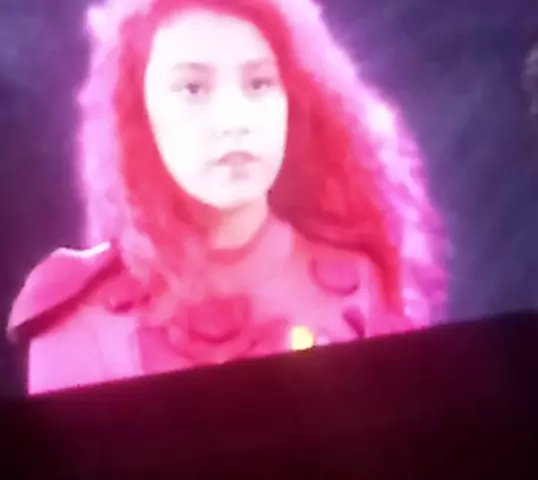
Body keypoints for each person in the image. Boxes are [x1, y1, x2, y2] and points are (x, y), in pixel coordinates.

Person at [7, 0, 445, 395]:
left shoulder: (361, 286)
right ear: (136, 112)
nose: (234, 119)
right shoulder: (78, 323)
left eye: (259, 83)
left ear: (294, 101)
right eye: (193, 88)